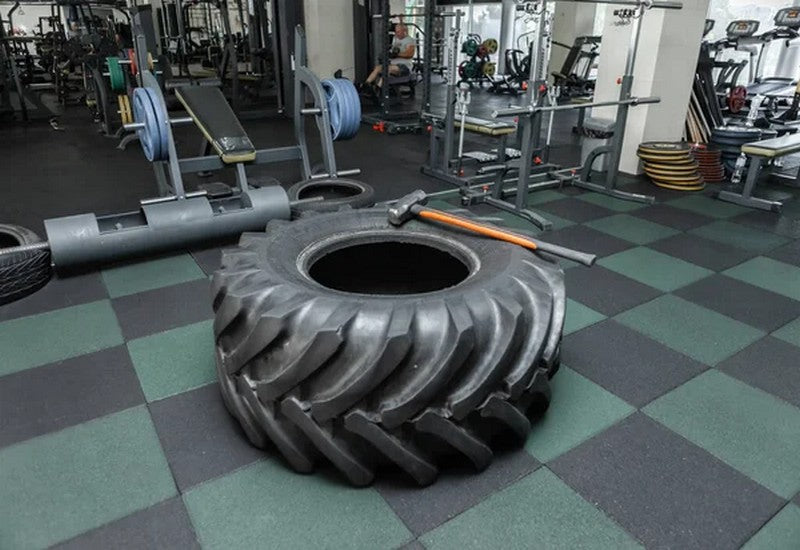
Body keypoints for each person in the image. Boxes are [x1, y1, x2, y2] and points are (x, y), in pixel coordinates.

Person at [363, 23, 415, 92]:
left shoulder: (409, 40)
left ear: (404, 31)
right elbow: (393, 50)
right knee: (377, 68)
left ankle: (377, 90)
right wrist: (388, 54)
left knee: (386, 70)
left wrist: (396, 55)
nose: (396, 33)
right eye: (396, 31)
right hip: (393, 65)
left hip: (404, 67)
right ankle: (365, 86)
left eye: (398, 32)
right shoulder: (395, 38)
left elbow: (410, 54)